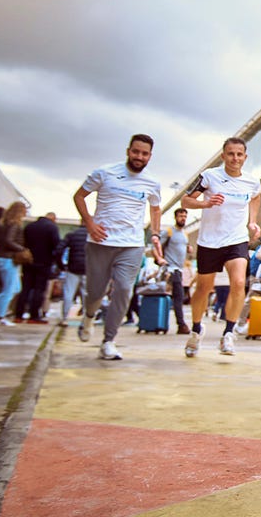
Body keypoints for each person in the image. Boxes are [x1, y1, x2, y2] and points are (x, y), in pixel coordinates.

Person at [73, 134, 164, 360]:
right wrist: (90, 223)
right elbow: (79, 196)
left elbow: (155, 208)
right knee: (96, 291)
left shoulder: (152, 182)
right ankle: (89, 316)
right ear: (128, 151)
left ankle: (109, 341)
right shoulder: (104, 172)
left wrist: (154, 234)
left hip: (131, 245)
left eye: (144, 154)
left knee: (124, 289)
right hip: (100, 242)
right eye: (136, 152)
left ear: (150, 156)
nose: (139, 157)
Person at [181, 138, 261, 357]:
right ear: (223, 155)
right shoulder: (209, 176)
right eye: (230, 154)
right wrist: (204, 204)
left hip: (236, 239)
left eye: (239, 154)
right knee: (203, 289)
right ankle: (196, 330)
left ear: (245, 157)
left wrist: (252, 221)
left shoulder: (252, 181)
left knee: (238, 283)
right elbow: (186, 201)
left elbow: (255, 198)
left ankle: (228, 333)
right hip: (209, 241)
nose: (235, 158)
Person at [0, 201, 27, 326]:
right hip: (8, 259)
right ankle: (1, 316)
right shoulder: (14, 225)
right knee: (9, 289)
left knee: (15, 288)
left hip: (2, 258)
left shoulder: (3, 224)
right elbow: (9, 241)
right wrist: (22, 249)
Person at [16, 212, 61, 323]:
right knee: (39, 289)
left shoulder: (30, 226)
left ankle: (18, 315)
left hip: (28, 261)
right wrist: (58, 263)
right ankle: (34, 316)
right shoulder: (52, 227)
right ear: (53, 219)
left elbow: (23, 242)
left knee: (25, 288)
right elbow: (57, 246)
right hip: (44, 262)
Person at [157, 208, 192, 334]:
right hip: (170, 268)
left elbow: (182, 248)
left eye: (184, 216)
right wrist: (160, 259)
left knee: (177, 296)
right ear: (175, 217)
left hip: (179, 269)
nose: (183, 218)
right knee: (179, 296)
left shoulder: (185, 234)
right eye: (180, 216)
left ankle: (178, 324)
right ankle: (181, 325)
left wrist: (188, 248)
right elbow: (157, 245)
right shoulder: (169, 231)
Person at [55, 220, 89, 327]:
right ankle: (86, 320)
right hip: (88, 269)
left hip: (73, 267)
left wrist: (61, 265)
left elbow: (59, 250)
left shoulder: (72, 234)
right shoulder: (93, 236)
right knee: (86, 295)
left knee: (68, 292)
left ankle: (65, 318)